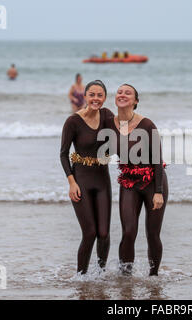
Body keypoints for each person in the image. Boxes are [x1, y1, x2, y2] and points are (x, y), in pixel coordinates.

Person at [104, 84, 168, 276]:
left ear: (135, 101)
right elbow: (90, 118)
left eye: (128, 93)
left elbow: (157, 159)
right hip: (129, 183)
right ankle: (126, 277)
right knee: (129, 232)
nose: (122, 94)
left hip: (153, 183)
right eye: (120, 92)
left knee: (152, 234)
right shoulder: (108, 123)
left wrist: (158, 192)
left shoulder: (147, 125)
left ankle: (154, 276)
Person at [60, 80, 114, 275]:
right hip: (81, 180)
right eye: (92, 94)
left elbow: (119, 138)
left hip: (102, 179)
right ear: (85, 95)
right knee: (90, 233)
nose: (96, 99)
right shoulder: (73, 121)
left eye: (100, 95)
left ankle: (100, 274)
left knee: (104, 234)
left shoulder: (107, 115)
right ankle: (80, 277)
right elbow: (63, 154)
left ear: (105, 98)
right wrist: (71, 182)